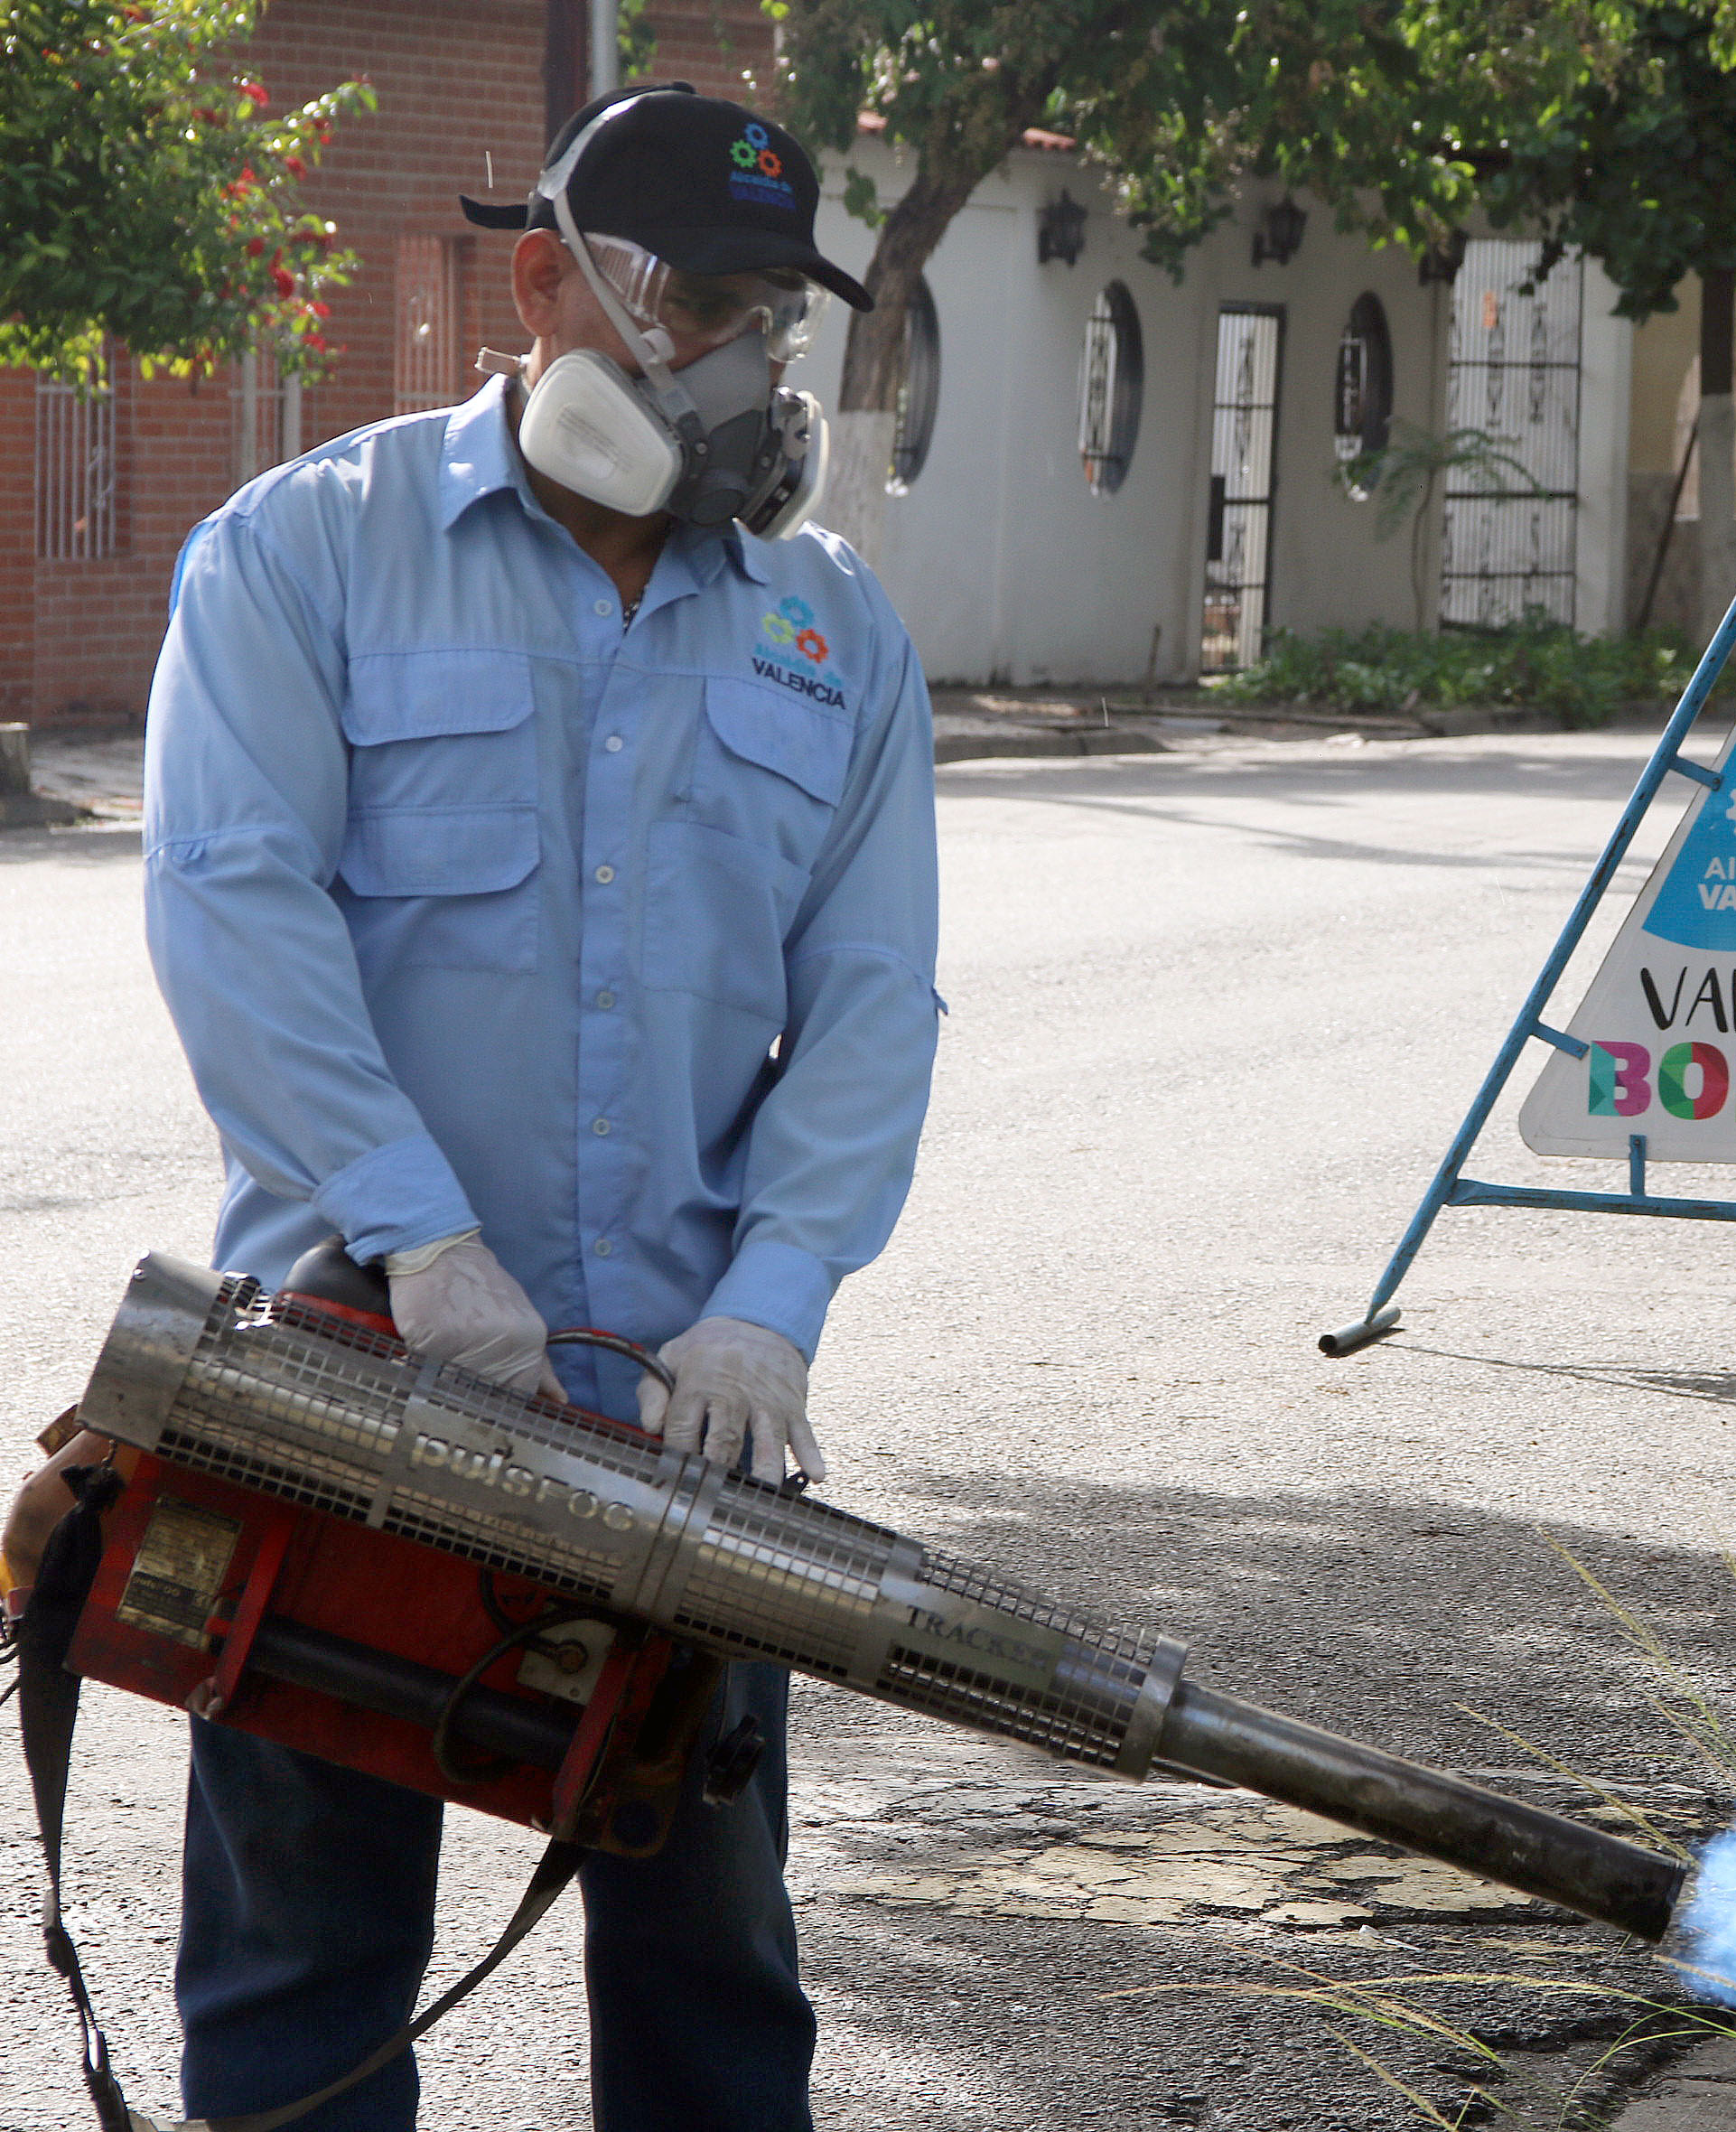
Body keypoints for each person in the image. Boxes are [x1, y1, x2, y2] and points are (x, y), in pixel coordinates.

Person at [125, 82, 938, 2130]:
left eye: (775, 307)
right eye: (705, 299)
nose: (747, 358)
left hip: (684, 1419)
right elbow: (237, 914)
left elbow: (866, 1004)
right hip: (349, 1381)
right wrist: (415, 1229)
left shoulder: (833, 636)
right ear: (543, 282)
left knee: (711, 1989)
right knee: (308, 1978)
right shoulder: (304, 555)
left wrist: (775, 1297)